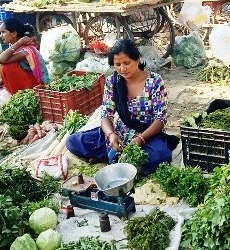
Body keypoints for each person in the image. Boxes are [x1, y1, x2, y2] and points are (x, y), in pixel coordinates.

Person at [66, 39, 173, 175]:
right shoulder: (113, 82)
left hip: (147, 134)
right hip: (119, 134)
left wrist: (140, 139)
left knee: (160, 157)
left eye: (126, 63)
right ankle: (118, 156)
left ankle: (112, 157)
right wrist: (111, 135)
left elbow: (161, 119)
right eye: (117, 64)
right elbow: (106, 115)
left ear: (137, 60)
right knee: (73, 142)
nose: (122, 68)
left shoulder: (154, 81)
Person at [0, 18, 49, 95]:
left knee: (5, 67)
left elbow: (1, 60)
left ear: (14, 33)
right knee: (5, 66)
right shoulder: (13, 46)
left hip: (39, 85)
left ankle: (21, 95)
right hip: (28, 81)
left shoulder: (26, 50)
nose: (1, 35)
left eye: (3, 32)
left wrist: (18, 43)